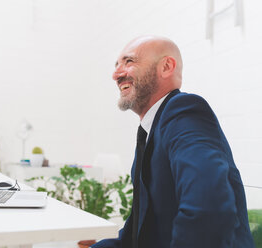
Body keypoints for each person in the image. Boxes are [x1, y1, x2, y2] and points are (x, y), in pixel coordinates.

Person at [92, 36, 255, 248]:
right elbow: (136, 236)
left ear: (166, 67)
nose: (116, 74)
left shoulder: (183, 109)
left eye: (129, 62)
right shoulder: (151, 132)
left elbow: (208, 208)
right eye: (116, 65)